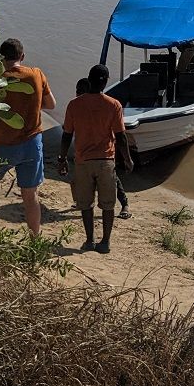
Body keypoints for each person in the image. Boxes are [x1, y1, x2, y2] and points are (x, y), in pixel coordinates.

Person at [0, 37, 55, 238]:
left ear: (2, 59)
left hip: (5, 144)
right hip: (33, 143)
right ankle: (34, 237)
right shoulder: (37, 75)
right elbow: (51, 105)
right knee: (30, 195)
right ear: (22, 56)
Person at [58, 64, 133, 253]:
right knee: (108, 205)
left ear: (88, 80)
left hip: (83, 161)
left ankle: (90, 240)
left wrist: (62, 158)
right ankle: (105, 242)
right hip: (106, 161)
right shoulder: (113, 105)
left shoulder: (74, 104)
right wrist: (127, 159)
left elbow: (67, 134)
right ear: (106, 81)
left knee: (86, 204)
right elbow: (121, 136)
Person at [74, 76, 130, 218]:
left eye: (81, 91)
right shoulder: (78, 105)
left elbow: (119, 134)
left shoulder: (103, 105)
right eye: (77, 91)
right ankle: (80, 202)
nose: (78, 94)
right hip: (84, 152)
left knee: (114, 180)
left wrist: (126, 158)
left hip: (104, 152)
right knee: (77, 179)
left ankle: (125, 204)